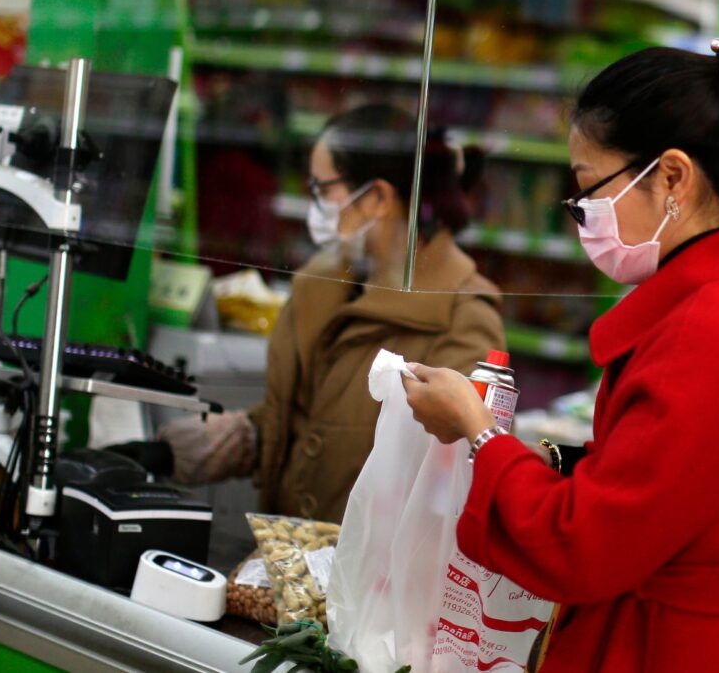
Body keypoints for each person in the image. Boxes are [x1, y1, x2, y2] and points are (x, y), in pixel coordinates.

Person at [402, 39, 719, 672]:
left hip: (686, 648)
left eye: (588, 191)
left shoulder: (716, 325)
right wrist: (552, 460)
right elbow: (682, 486)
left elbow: (587, 544)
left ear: (673, 176)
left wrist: (477, 431)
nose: (583, 217)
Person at [161, 104, 505, 523]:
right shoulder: (321, 285)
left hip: (371, 579)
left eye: (323, 189)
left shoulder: (463, 315)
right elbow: (292, 417)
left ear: (377, 197)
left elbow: (455, 473)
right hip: (288, 565)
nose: (315, 204)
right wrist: (184, 450)